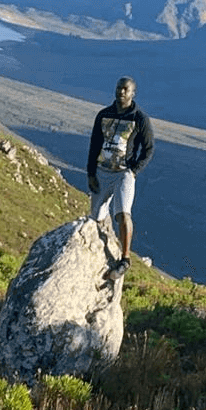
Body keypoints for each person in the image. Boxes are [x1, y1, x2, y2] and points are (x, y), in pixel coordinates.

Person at [87, 76, 155, 277]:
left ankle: (125, 259)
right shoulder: (103, 115)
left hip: (124, 173)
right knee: (96, 217)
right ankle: (98, 251)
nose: (121, 92)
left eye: (126, 89)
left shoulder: (140, 119)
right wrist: (91, 172)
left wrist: (134, 170)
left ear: (133, 93)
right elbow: (94, 145)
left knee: (123, 213)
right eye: (119, 88)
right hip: (102, 171)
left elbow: (148, 148)